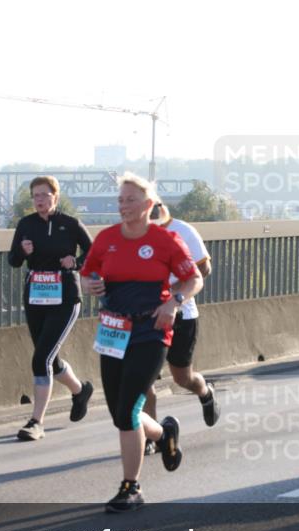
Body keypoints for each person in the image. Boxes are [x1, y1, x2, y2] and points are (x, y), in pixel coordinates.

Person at [80, 172, 203, 513]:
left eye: (130, 200)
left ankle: (131, 487)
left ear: (148, 205)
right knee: (121, 413)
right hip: (113, 330)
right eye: (120, 200)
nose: (123, 206)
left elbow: (193, 278)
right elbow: (88, 272)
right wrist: (89, 284)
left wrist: (174, 301)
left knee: (128, 410)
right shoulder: (105, 239)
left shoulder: (165, 240)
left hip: (152, 329)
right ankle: (163, 435)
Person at [7, 176, 94, 441]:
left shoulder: (70, 224)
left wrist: (76, 262)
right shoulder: (26, 225)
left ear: (55, 197)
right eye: (35, 196)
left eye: (44, 195)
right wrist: (22, 251)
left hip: (65, 298)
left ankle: (36, 421)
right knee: (50, 359)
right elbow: (12, 261)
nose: (40, 200)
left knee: (40, 358)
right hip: (36, 297)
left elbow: (94, 251)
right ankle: (80, 391)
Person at [142, 201, 219, 455]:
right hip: (146, 318)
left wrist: (173, 293)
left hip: (182, 315)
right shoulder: (133, 234)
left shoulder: (182, 230)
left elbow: (204, 268)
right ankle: (151, 436)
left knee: (182, 378)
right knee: (144, 378)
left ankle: (205, 392)